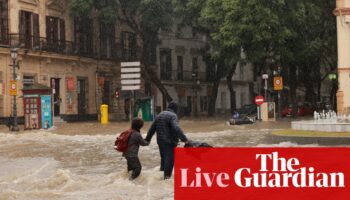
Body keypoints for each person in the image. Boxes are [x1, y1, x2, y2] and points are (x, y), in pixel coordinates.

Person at [145, 101, 189, 179]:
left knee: (164, 159)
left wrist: (147, 139)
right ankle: (167, 178)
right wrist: (184, 139)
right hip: (170, 142)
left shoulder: (159, 115)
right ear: (175, 109)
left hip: (160, 142)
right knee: (170, 160)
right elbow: (176, 128)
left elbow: (152, 128)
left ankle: (161, 178)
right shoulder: (173, 116)